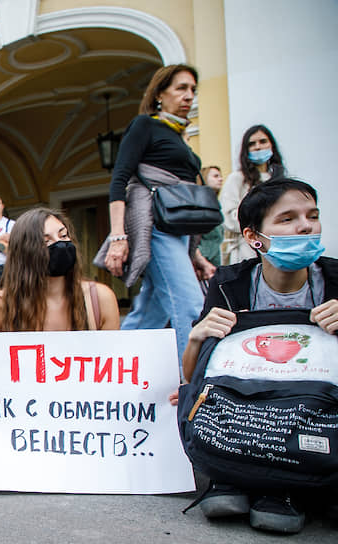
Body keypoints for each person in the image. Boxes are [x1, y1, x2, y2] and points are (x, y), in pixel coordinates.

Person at [181, 177, 337, 534]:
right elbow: (194, 376)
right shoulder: (228, 283)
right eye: (287, 219)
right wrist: (196, 339)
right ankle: (254, 481)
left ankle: (259, 483)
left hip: (315, 412)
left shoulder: (335, 278)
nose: (305, 226)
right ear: (254, 238)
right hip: (247, 410)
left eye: (312, 215)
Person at [102, 64, 214, 369]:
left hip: (178, 233)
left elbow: (181, 202)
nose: (189, 96)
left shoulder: (180, 136)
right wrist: (118, 237)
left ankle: (109, 372)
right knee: (191, 307)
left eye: (193, 89)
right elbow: (120, 179)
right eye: (181, 88)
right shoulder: (144, 125)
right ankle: (194, 388)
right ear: (159, 94)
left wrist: (197, 255)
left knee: (148, 315)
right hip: (153, 228)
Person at [0, 207, 120, 332]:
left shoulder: (100, 299)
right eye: (45, 241)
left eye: (63, 236)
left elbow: (114, 355)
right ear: (24, 254)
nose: (60, 245)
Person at [220, 125, 286, 265]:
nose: (258, 147)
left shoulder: (280, 180)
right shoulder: (237, 178)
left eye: (263, 142)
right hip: (247, 247)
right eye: (252, 144)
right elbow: (228, 216)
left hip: (278, 246)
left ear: (271, 145)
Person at [196, 166, 224, 269]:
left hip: (214, 261)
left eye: (220, 176)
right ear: (204, 178)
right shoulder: (198, 204)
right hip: (201, 261)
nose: (220, 179)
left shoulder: (216, 204)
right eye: (215, 176)